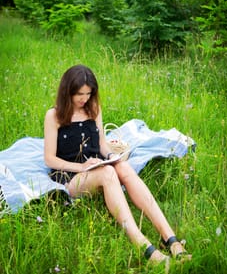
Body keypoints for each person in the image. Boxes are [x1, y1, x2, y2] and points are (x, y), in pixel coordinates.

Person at [44, 64, 191, 263]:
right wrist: (82, 167)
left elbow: (102, 145)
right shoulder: (54, 115)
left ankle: (170, 239)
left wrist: (115, 156)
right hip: (71, 176)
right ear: (67, 91)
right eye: (79, 94)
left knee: (122, 167)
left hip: (97, 165)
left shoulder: (93, 109)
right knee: (108, 173)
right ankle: (144, 246)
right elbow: (49, 159)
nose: (84, 98)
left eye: (88, 93)